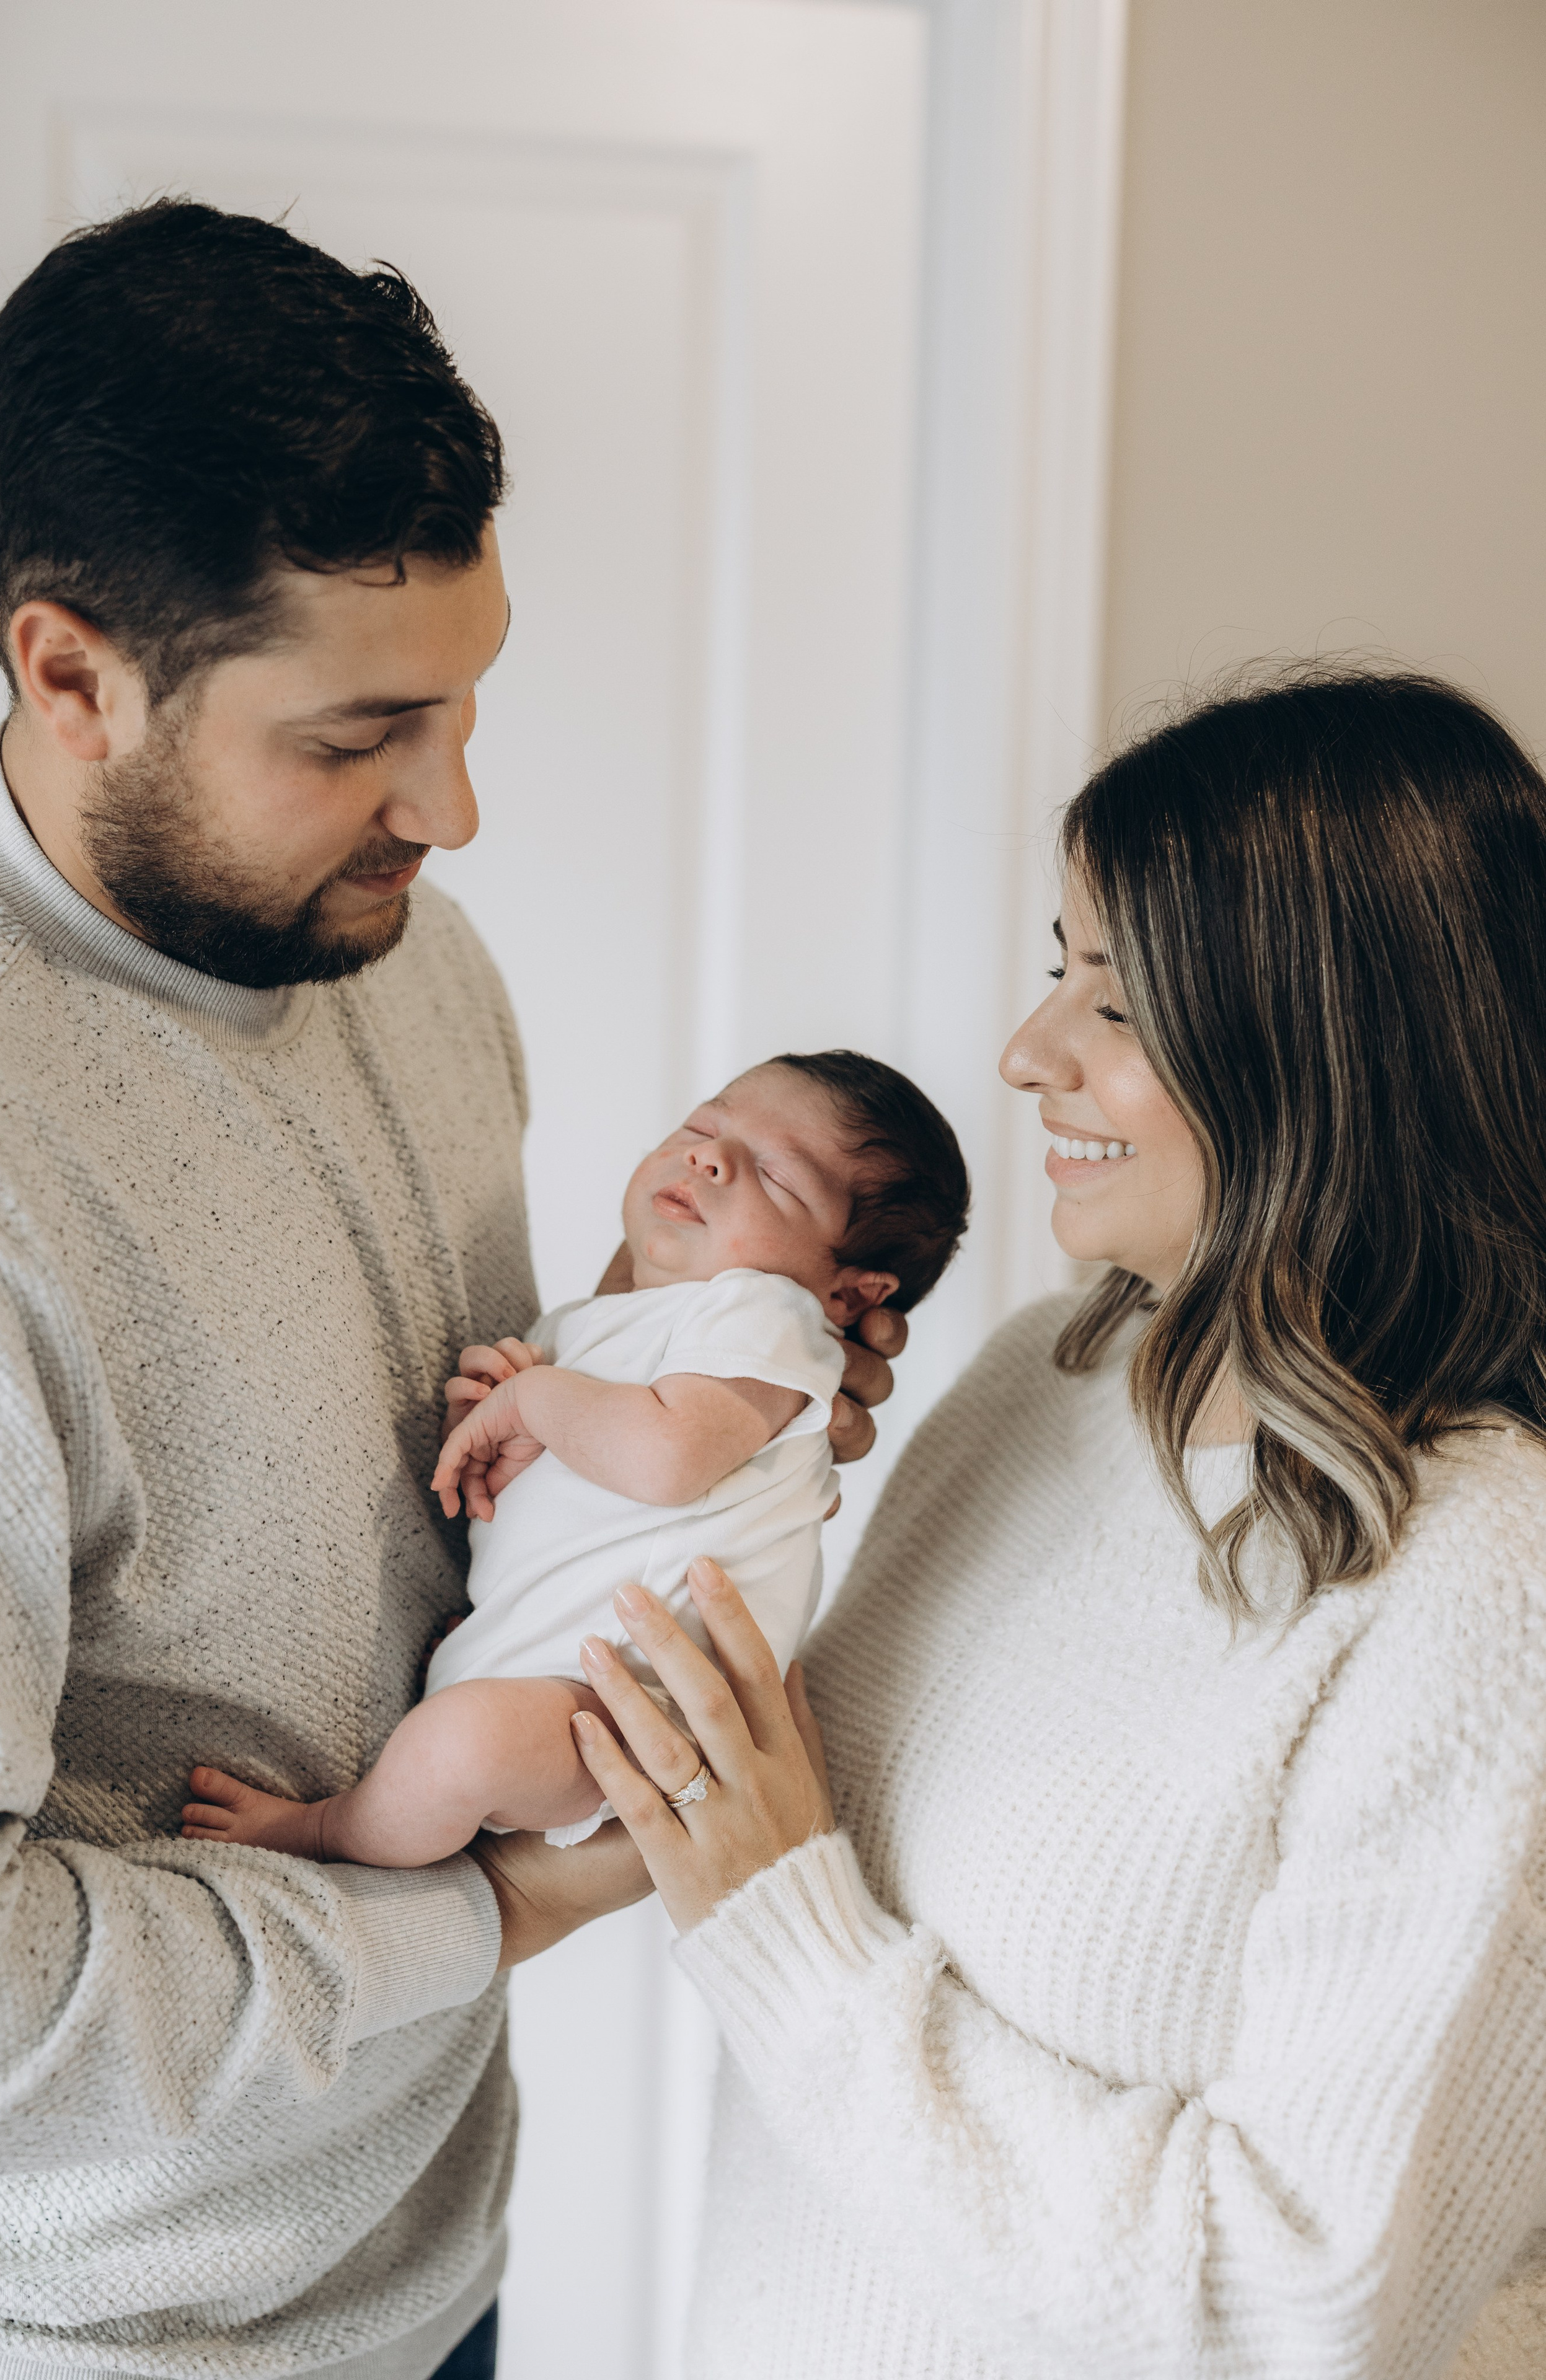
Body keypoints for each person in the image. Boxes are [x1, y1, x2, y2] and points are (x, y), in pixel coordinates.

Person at [0, 201, 901, 2380]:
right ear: (74, 674)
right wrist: (473, 1920)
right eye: (362, 735)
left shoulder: (397, 954)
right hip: (107, 2335)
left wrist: (689, 1356)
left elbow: (391, 1436)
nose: (453, 811)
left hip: (427, 2253)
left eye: (470, 708)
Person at [573, 669, 1546, 2378]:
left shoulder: (1486, 1587)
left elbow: (1304, 2307)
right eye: (1057, 967)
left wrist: (791, 1938)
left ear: (1325, 1049)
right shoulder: (1042, 1376)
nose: (1028, 1055)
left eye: (1118, 998)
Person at [178, 1052, 968, 1860]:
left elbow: (663, 1459)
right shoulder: (590, 1323)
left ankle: (327, 1829)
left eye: (773, 1175)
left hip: (636, 1704)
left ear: (850, 1294)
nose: (707, 1157)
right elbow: (571, 1478)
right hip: (563, 1668)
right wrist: (494, 1423)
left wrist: (530, 1402)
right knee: (461, 1737)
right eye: (704, 1124)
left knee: (460, 1749)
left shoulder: (769, 1312)